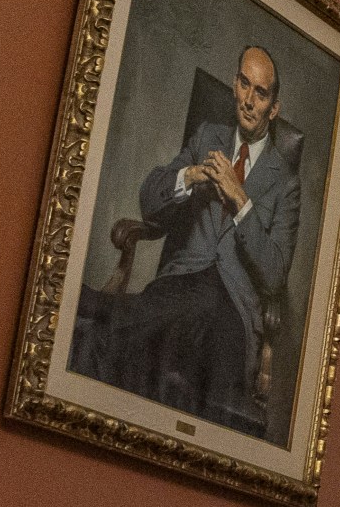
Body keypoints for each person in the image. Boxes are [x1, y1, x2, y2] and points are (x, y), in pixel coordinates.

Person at [79, 45, 304, 434]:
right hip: (180, 288)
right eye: (244, 84)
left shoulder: (286, 183)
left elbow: (274, 275)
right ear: (235, 83)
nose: (248, 101)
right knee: (177, 315)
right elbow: (150, 201)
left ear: (274, 108)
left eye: (260, 93)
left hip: (232, 314)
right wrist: (188, 178)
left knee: (192, 308)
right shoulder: (207, 137)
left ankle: (97, 304)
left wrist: (242, 201)